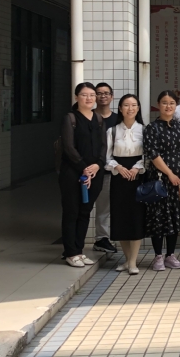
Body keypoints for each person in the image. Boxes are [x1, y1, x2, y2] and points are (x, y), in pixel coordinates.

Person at [144, 91, 180, 270]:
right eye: (164, 102)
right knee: (159, 216)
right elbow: (153, 154)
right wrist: (170, 174)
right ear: (158, 105)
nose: (168, 106)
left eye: (172, 103)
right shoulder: (152, 128)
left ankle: (170, 255)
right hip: (160, 180)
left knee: (175, 215)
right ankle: (158, 256)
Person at [59, 83, 107, 267]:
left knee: (85, 211)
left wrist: (98, 165)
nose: (89, 98)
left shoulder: (99, 119)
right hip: (72, 173)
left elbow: (104, 146)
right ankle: (70, 252)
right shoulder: (70, 118)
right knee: (72, 211)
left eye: (92, 95)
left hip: (95, 173)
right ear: (76, 97)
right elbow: (68, 147)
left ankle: (79, 250)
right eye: (84, 95)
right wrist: (84, 167)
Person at [105, 94, 146, 274]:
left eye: (134, 105)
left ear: (138, 108)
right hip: (118, 177)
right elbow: (106, 157)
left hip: (137, 177)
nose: (130, 108)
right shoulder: (112, 131)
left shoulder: (144, 130)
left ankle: (133, 262)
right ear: (120, 109)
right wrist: (118, 167)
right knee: (120, 218)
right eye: (126, 105)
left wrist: (137, 168)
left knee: (136, 217)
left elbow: (148, 155)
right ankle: (127, 260)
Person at [92, 82, 118, 255]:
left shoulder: (117, 119)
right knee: (100, 206)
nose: (103, 96)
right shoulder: (89, 117)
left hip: (114, 169)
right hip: (92, 168)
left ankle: (107, 238)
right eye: (99, 93)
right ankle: (101, 238)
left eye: (106, 93)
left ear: (112, 96)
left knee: (108, 206)